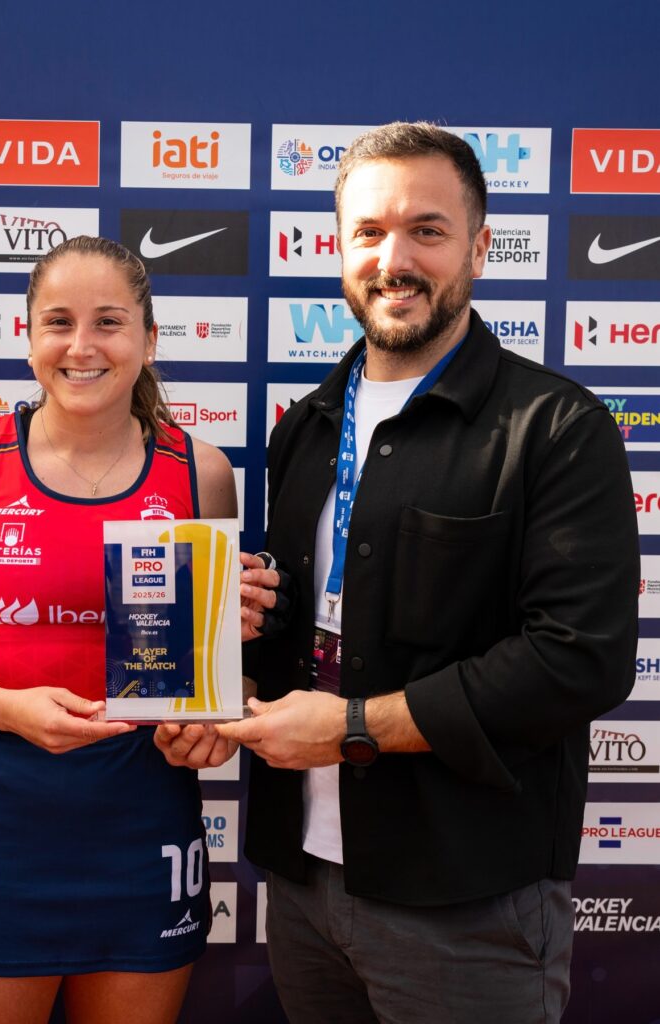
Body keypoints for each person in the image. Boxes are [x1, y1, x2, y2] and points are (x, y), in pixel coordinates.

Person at [157, 123, 640, 1023]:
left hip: (468, 898)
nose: (395, 260)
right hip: (302, 883)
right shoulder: (306, 428)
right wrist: (229, 696)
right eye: (370, 232)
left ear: (479, 248)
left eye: (427, 230)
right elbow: (307, 624)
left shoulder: (556, 429)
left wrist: (351, 729)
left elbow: (579, 660)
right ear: (340, 249)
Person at [0, 235, 276, 1024]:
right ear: (28, 338)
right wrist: (10, 710)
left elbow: (205, 668)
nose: (82, 346)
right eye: (58, 322)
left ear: (149, 340)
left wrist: (219, 708)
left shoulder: (200, 471)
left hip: (147, 840)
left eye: (108, 322)